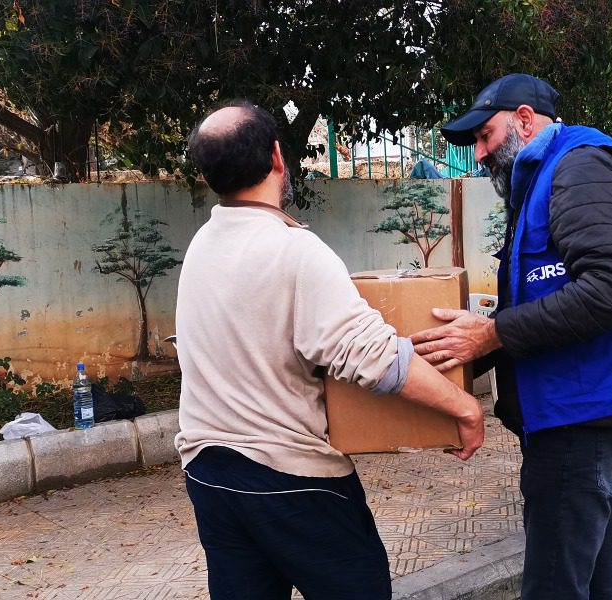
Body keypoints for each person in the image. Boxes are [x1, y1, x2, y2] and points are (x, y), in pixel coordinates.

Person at [174, 100, 485, 600]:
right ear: (278, 156)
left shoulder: (203, 245)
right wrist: (464, 407)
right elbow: (375, 358)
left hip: (209, 474)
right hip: (288, 476)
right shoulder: (294, 250)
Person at [409, 74, 612, 599]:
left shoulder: (578, 168)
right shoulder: (545, 177)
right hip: (576, 415)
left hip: (580, 421)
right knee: (596, 573)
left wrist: (491, 335)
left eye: (484, 136)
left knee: (554, 585)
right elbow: (546, 296)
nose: (478, 154)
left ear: (523, 118)